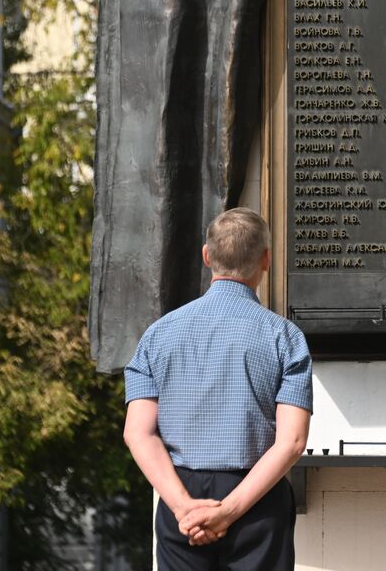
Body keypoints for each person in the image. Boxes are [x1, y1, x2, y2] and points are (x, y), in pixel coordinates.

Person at [123, 207, 312, 570]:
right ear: (266, 260)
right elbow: (292, 442)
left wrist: (182, 507)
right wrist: (229, 511)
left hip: (182, 502)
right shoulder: (286, 338)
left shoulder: (157, 335)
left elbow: (138, 433)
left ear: (207, 256)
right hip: (257, 499)